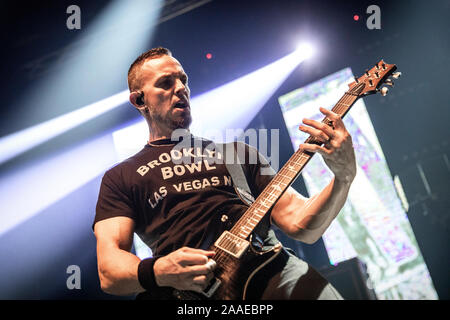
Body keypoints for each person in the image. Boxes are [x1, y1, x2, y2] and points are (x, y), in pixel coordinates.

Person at [93, 47, 357, 299]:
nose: (181, 88)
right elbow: (109, 270)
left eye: (183, 80)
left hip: (269, 271)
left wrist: (343, 178)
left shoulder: (238, 154)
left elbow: (301, 225)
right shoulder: (122, 177)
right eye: (166, 83)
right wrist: (160, 271)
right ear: (139, 100)